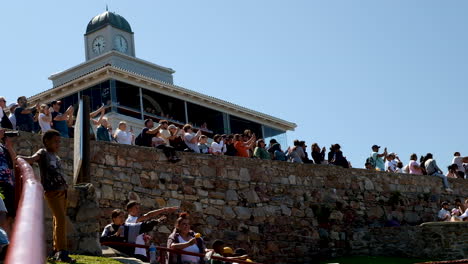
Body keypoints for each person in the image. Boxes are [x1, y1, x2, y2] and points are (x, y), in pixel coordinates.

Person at [19, 130, 75, 263]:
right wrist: (19, 157)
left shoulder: (56, 156)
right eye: (55, 141)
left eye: (59, 141)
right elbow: (32, 159)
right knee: (61, 219)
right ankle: (62, 251)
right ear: (46, 142)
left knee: (58, 220)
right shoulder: (42, 152)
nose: (58, 144)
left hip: (63, 191)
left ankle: (57, 250)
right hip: (52, 191)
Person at [100, 209, 166, 257]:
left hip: (127, 255)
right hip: (112, 254)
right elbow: (102, 240)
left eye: (123, 217)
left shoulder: (129, 227)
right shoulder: (108, 228)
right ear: (114, 218)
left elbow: (143, 226)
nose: (123, 219)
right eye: (120, 217)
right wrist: (115, 235)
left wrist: (156, 221)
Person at [0, 128, 16, 220]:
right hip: (1, 183)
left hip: (8, 183)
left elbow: (15, 161)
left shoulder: (3, 147)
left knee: (9, 216)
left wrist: (9, 147)